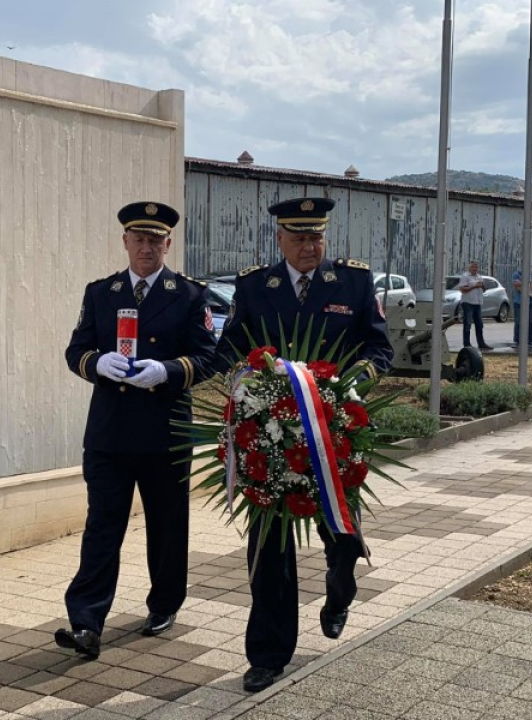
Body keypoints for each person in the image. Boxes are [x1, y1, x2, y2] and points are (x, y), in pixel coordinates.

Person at [213, 197, 393, 693]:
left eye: (317, 237)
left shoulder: (353, 282)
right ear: (280, 240)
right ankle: (268, 654)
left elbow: (379, 346)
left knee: (342, 535)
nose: (310, 246)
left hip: (334, 431)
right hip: (269, 434)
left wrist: (351, 385)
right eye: (299, 238)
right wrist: (248, 385)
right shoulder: (255, 286)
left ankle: (340, 590)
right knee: (269, 546)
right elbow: (230, 348)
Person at [55, 201, 216, 661]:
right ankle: (86, 623)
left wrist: (167, 370)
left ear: (168, 244)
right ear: (125, 242)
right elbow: (76, 350)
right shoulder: (100, 292)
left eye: (155, 240)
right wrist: (95, 363)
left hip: (166, 431)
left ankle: (164, 603)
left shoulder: (189, 295)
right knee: (102, 527)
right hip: (110, 432)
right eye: (139, 239)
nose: (147, 248)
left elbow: (208, 357)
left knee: (167, 525)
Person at [458, 261, 492, 351]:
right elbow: (462, 289)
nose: (475, 269)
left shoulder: (479, 277)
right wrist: (474, 286)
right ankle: (467, 344)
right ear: (469, 268)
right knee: (467, 324)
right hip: (468, 302)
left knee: (479, 324)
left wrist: (482, 286)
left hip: (477, 302)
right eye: (473, 267)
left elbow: (484, 290)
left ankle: (481, 343)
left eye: (476, 267)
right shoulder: (465, 276)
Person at [512, 264, 532, 348]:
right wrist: (528, 285)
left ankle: (530, 340)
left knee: (530, 322)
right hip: (519, 302)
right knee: (518, 322)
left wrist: (523, 284)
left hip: (531, 303)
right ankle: (517, 341)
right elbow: (517, 286)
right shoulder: (517, 274)